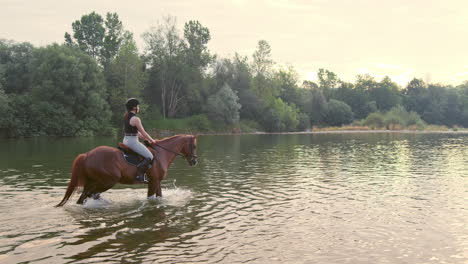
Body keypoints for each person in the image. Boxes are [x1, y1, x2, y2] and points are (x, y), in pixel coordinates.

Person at [123, 98, 156, 183]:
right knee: (150, 156)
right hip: (132, 142)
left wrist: (143, 138)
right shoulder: (136, 119)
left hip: (126, 140)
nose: (139, 108)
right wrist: (152, 140)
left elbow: (133, 131)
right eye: (138, 106)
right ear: (134, 107)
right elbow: (143, 132)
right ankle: (139, 175)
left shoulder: (126, 116)